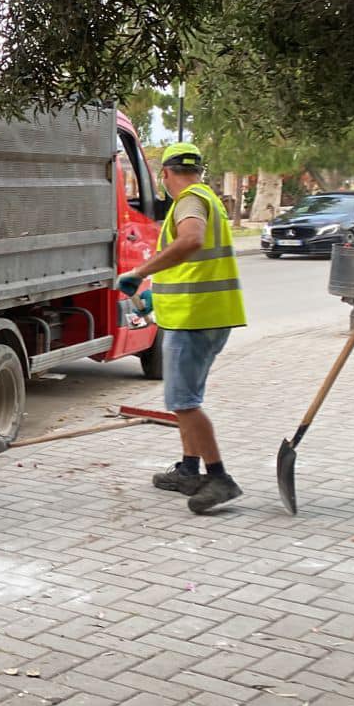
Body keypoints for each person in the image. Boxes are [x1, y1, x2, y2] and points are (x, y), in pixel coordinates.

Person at [116, 142, 247, 514]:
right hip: (202, 313)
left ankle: (219, 477)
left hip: (196, 318)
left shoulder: (189, 200)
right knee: (186, 397)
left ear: (165, 174)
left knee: (183, 402)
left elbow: (191, 240)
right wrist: (157, 295)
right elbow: (196, 264)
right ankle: (189, 470)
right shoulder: (207, 197)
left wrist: (141, 272)